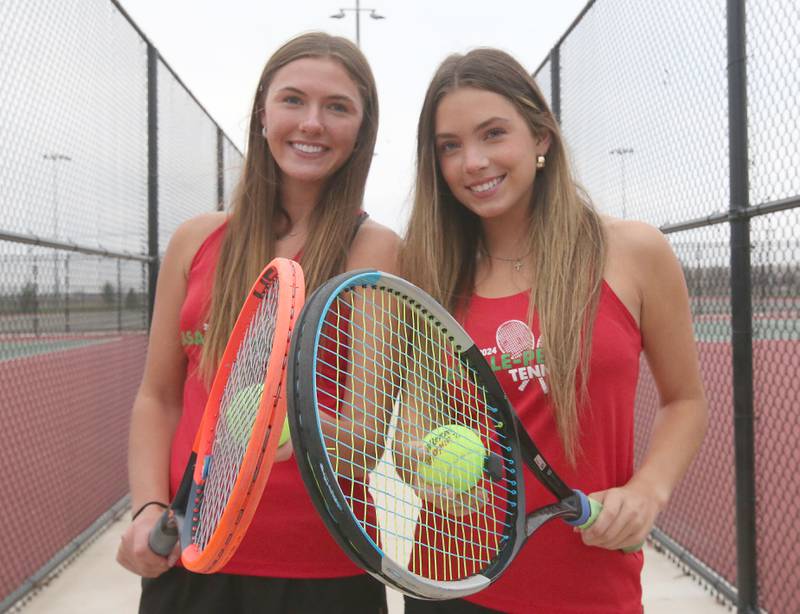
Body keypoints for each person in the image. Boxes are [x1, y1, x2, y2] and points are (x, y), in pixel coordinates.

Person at [400, 48, 708, 613]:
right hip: (453, 583)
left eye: (494, 134)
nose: (473, 162)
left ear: (541, 137)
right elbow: (416, 421)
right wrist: (419, 464)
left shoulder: (633, 252)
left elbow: (685, 402)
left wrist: (646, 493)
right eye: (449, 146)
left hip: (591, 585)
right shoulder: (428, 273)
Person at [116, 32, 399, 614]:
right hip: (191, 554)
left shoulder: (374, 249)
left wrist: (275, 429)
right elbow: (158, 397)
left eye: (338, 107)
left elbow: (367, 434)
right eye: (293, 100)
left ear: (361, 130)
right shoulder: (195, 240)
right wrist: (148, 508)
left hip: (321, 566)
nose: (312, 123)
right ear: (262, 115)